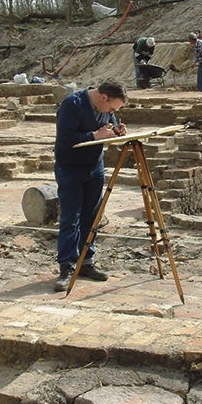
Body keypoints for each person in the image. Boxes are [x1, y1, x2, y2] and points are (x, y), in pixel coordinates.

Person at [53, 81, 128, 292]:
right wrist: (94, 136)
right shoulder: (72, 105)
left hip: (94, 167)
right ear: (103, 97)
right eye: (112, 108)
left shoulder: (104, 108)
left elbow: (108, 123)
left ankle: (86, 262)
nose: (112, 112)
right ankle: (67, 266)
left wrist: (116, 129)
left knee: (91, 216)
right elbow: (65, 139)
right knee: (70, 218)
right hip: (71, 168)